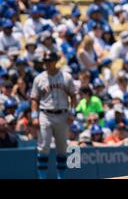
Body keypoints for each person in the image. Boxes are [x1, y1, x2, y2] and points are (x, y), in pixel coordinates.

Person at [30, 51, 77, 179]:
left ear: (56, 61)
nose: (47, 64)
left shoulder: (66, 77)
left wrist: (72, 113)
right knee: (43, 146)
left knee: (62, 148)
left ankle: (61, 176)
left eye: (50, 61)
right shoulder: (39, 78)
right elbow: (34, 99)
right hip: (45, 114)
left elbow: (73, 95)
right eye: (45, 61)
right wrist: (34, 116)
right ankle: (42, 177)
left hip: (62, 114)